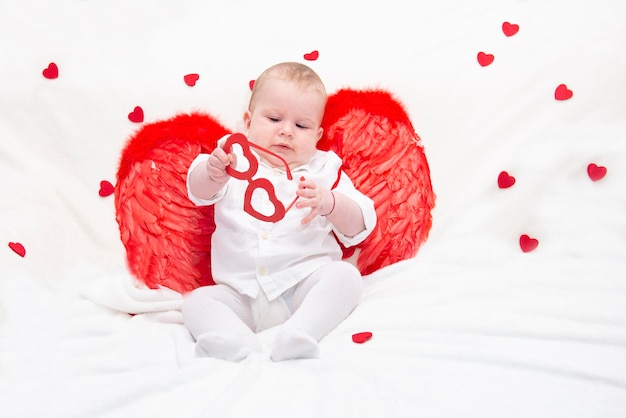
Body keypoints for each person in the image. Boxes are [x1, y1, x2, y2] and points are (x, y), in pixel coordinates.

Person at [182, 62, 377, 361]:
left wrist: (330, 203)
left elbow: (361, 224)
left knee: (345, 277)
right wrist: (212, 172)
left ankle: (301, 332)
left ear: (317, 135)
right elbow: (197, 190)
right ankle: (234, 341)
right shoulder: (232, 159)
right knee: (197, 302)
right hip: (240, 295)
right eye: (274, 119)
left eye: (301, 126)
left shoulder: (324, 170)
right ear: (247, 121)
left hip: (299, 288)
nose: (286, 132)